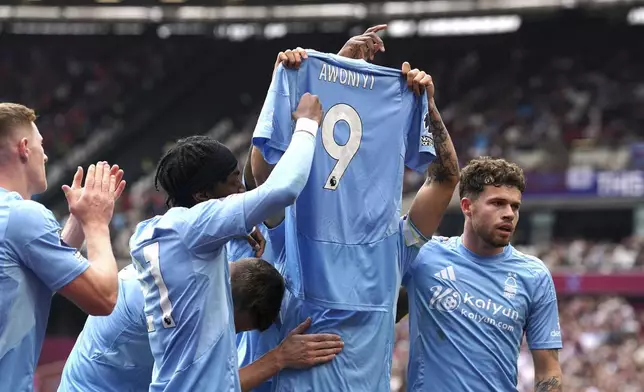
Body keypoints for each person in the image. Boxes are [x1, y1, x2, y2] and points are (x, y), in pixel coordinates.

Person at [251, 27, 460, 391]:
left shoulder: (397, 244)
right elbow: (264, 176)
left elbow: (445, 179)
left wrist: (429, 108)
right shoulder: (291, 233)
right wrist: (331, 73)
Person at [129, 92, 324, 391]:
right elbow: (283, 189)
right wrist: (308, 124)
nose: (239, 188)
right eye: (231, 180)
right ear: (202, 196)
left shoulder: (151, 233)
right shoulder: (195, 228)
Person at [398, 157, 563, 391]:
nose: (509, 214)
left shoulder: (535, 275)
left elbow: (549, 370)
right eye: (497, 203)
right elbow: (382, 310)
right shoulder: (425, 256)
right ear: (467, 206)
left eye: (514, 206)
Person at [58, 261, 342, 392]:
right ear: (236, 307)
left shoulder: (197, 268)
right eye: (237, 327)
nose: (233, 334)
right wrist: (279, 357)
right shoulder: (180, 316)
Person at [0, 103, 126, 390]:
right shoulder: (23, 216)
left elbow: (36, 275)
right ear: (23, 148)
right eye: (40, 144)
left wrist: (79, 220)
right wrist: (95, 223)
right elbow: (103, 298)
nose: (45, 154)